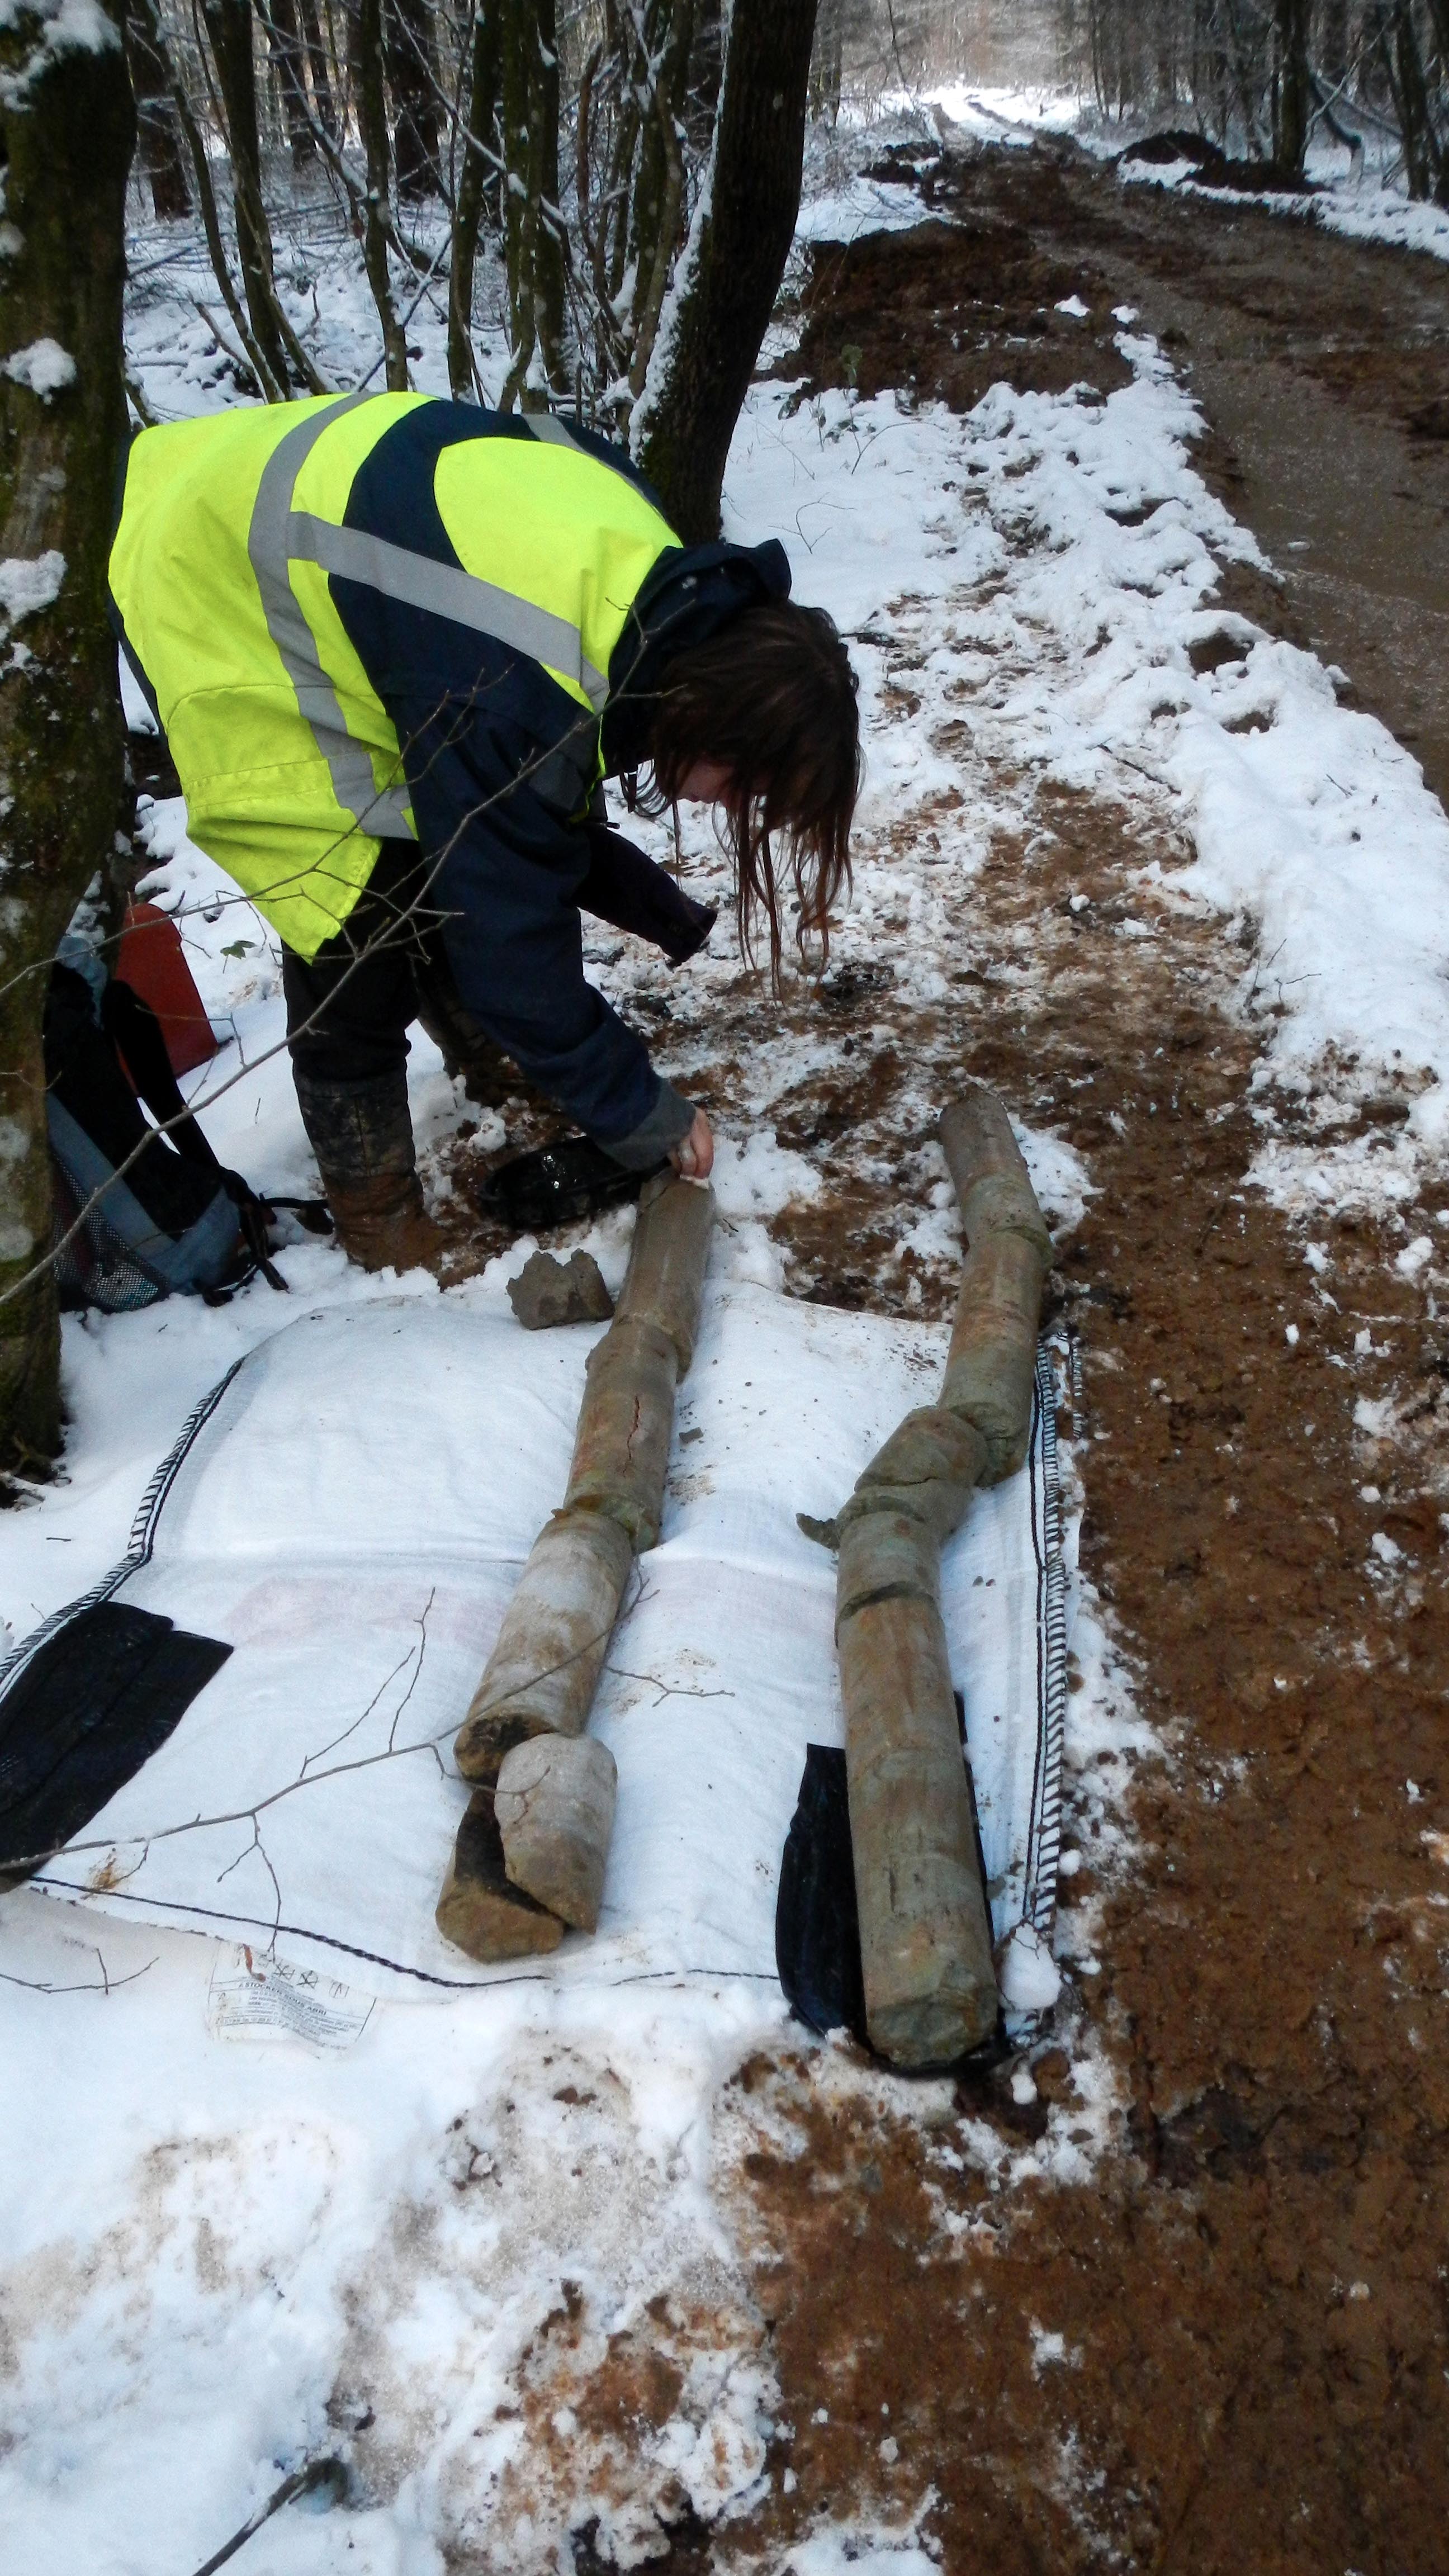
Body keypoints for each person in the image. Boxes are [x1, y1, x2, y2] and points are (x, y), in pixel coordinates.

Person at [108, 392, 861, 1271]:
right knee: (355, 907)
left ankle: (485, 1050)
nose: (730, 810)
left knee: (452, 840)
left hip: (315, 534)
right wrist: (637, 1109)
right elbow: (509, 930)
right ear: (708, 716)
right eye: (741, 788)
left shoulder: (656, 589)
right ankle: (375, 1208)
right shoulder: (513, 690)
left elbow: (522, 831)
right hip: (208, 572)